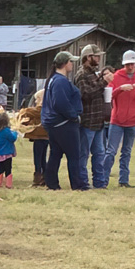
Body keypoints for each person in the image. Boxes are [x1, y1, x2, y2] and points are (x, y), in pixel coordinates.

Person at [105, 50, 135, 188]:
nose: (129, 67)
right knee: (111, 150)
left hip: (132, 120)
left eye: (132, 64)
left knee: (127, 151)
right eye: (127, 64)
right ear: (123, 64)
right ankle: (103, 178)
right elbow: (108, 95)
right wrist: (119, 89)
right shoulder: (116, 76)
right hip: (117, 119)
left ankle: (123, 180)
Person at [42, 51, 85, 191]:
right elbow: (60, 103)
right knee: (74, 155)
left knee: (55, 154)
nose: (72, 64)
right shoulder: (60, 81)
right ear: (65, 63)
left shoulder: (53, 79)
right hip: (64, 124)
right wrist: (74, 116)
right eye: (71, 62)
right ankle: (77, 184)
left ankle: (52, 183)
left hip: (54, 124)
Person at [73, 45, 114, 190]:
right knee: (83, 154)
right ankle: (83, 183)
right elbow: (86, 94)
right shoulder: (81, 75)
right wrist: (104, 82)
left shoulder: (94, 74)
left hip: (98, 121)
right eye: (96, 56)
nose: (98, 59)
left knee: (99, 154)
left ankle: (99, 182)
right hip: (87, 121)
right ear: (88, 57)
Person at [0, 111, 18, 189]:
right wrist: (15, 132)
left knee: (0, 168)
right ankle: (8, 184)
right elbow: (12, 138)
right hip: (7, 153)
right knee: (8, 169)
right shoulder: (6, 131)